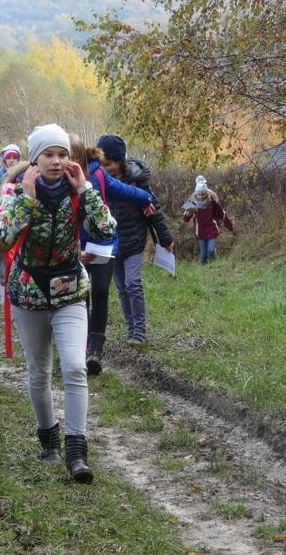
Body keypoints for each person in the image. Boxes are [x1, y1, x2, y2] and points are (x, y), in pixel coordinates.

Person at [0, 124, 115, 483]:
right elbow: (0, 239)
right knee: (39, 371)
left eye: (63, 154)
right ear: (35, 158)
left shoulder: (79, 191)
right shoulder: (15, 191)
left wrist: (86, 190)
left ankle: (77, 451)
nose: (57, 161)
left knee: (74, 367)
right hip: (29, 294)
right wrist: (28, 199)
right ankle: (48, 439)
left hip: (70, 292)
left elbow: (107, 230)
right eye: (49, 154)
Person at [68, 133, 155, 375]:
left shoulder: (97, 174)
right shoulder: (57, 182)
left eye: (73, 156)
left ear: (82, 156)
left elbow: (123, 190)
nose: (68, 161)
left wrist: (146, 199)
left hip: (103, 244)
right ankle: (81, 346)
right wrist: (75, 249)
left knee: (100, 292)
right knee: (81, 296)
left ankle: (95, 350)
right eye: (65, 156)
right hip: (75, 248)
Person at [94, 134, 175, 346]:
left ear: (120, 161)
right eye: (101, 165)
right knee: (121, 288)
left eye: (108, 164)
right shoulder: (97, 181)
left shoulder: (136, 181)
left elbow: (154, 210)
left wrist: (165, 239)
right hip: (111, 244)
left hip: (134, 240)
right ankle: (131, 329)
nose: (104, 169)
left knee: (133, 284)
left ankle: (140, 330)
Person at [0, 144, 23, 305]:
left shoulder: (24, 175)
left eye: (14, 158)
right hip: (1, 212)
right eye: (9, 158)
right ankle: (4, 292)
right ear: (4, 160)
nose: (12, 160)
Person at [181, 175, 236, 264]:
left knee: (210, 250)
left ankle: (212, 266)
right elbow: (185, 218)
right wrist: (189, 213)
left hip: (212, 229)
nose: (201, 196)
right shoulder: (192, 203)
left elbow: (222, 213)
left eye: (203, 194)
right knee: (203, 256)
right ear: (196, 194)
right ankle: (204, 269)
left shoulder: (212, 202)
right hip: (200, 231)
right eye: (199, 194)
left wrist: (230, 226)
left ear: (206, 193)